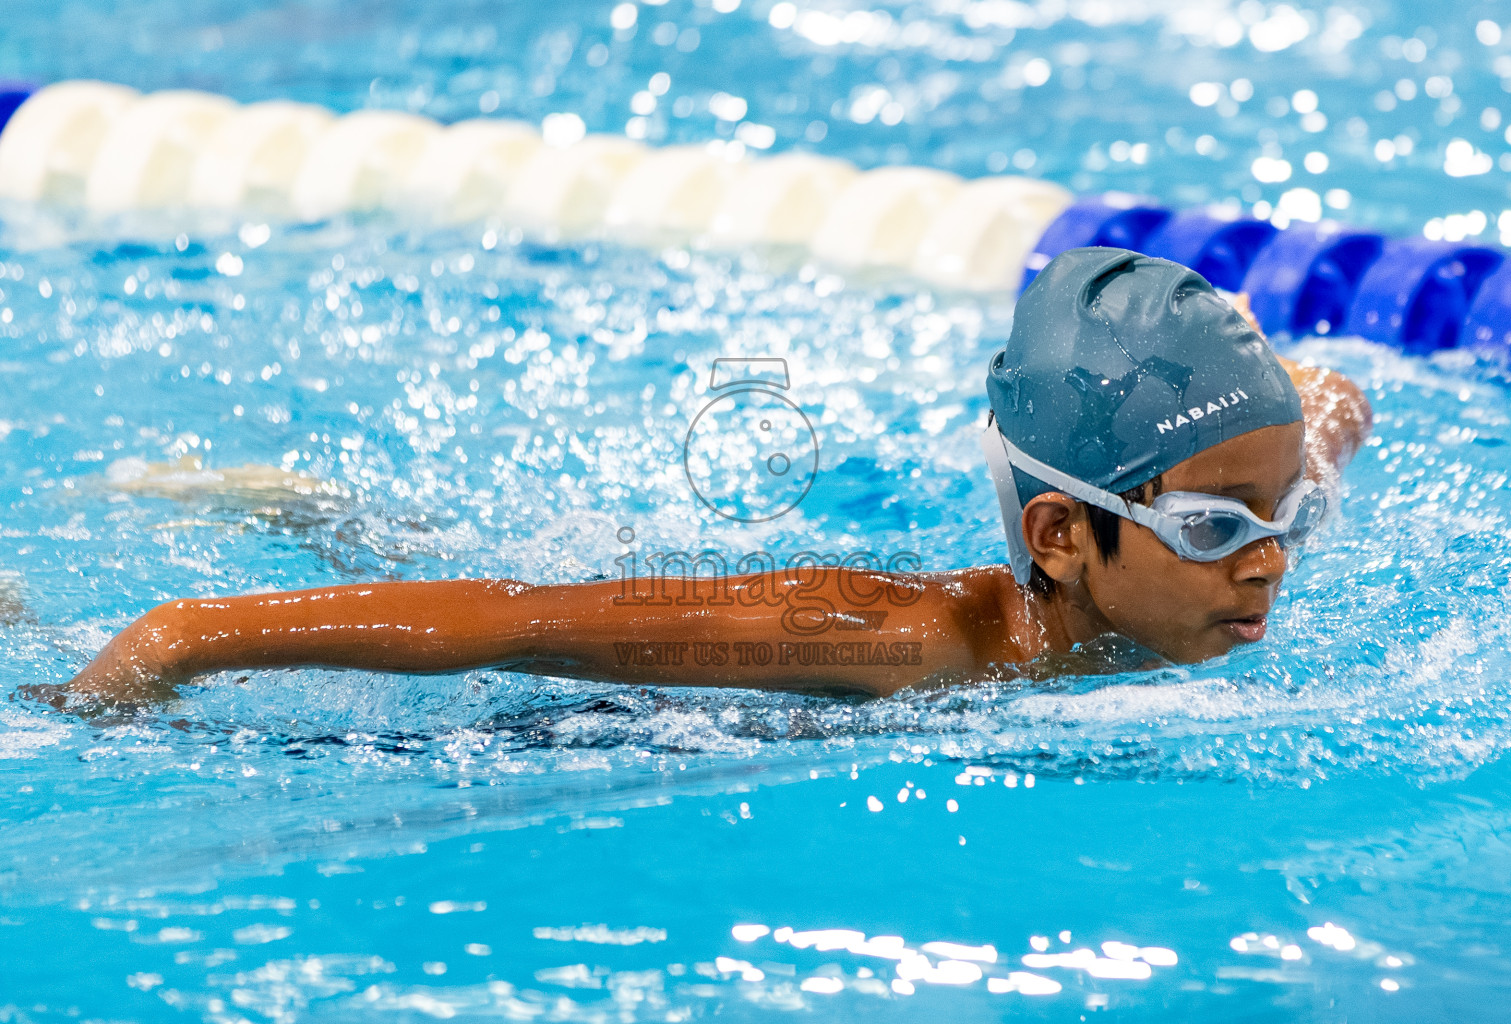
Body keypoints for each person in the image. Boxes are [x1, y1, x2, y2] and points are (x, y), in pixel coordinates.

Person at [65, 247, 1371, 704]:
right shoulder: (906, 641)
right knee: (423, 560)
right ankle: (284, 505)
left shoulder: (1240, 496)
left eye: (1288, 517)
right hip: (635, 683)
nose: (1269, 564)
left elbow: (1307, 430)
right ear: (1059, 536)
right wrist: (187, 633)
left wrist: (1317, 420)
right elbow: (520, 623)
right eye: (1214, 527)